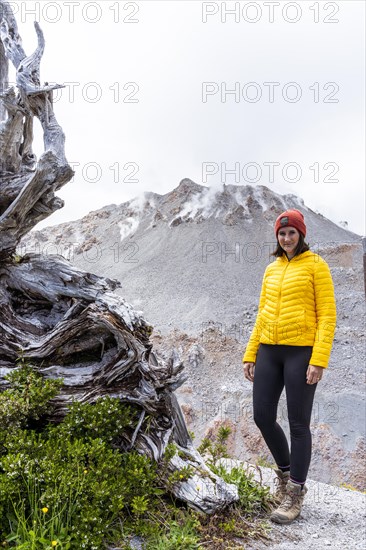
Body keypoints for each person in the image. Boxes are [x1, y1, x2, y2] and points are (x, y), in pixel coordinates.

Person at [242, 209, 336, 525]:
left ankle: (295, 494)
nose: (286, 238)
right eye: (281, 234)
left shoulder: (316, 266)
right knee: (262, 416)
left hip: (300, 353)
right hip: (269, 349)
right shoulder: (271, 269)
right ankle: (284, 476)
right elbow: (262, 313)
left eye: (291, 233)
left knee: (298, 423)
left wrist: (318, 360)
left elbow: (327, 316)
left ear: (301, 234)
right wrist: (250, 353)